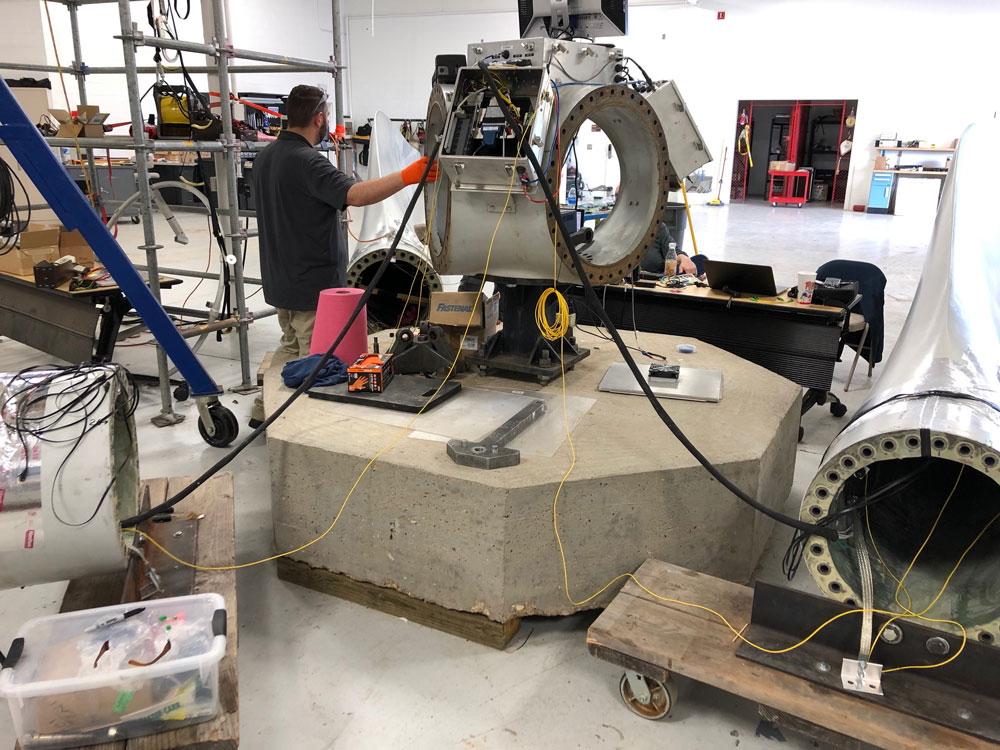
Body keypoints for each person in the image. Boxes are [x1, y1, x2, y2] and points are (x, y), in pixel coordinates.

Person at [249, 84, 438, 426]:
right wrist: (409, 176)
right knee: (315, 364)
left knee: (289, 349)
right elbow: (356, 194)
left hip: (280, 282)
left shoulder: (266, 157)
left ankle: (265, 410)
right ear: (319, 117)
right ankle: (298, 429)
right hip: (311, 288)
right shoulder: (307, 161)